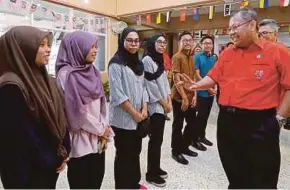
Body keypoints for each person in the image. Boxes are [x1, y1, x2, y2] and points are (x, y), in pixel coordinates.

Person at [176, 8, 290, 188]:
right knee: (235, 172)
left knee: (263, 178)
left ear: (252, 25)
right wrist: (196, 85)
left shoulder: (278, 52)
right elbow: (213, 76)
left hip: (260, 122)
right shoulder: (228, 53)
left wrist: (279, 120)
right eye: (229, 29)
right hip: (228, 121)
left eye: (235, 27)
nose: (231, 32)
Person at [0, 26, 70, 188]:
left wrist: (63, 151)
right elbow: (21, 139)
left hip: (48, 165)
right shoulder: (11, 85)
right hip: (28, 173)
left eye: (48, 45)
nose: (48, 50)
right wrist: (53, 158)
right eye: (41, 45)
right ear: (23, 48)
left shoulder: (45, 78)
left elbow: (60, 116)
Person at [55, 31, 112, 189]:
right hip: (80, 140)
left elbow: (102, 103)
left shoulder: (93, 71)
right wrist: (101, 129)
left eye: (96, 46)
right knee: (81, 183)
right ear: (77, 48)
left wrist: (105, 131)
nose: (95, 50)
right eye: (91, 47)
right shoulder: (65, 75)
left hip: (99, 139)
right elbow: (76, 112)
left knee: (96, 180)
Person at [108, 27, 148, 189]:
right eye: (129, 40)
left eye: (136, 41)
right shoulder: (116, 63)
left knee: (135, 152)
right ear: (122, 41)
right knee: (124, 155)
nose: (133, 44)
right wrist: (135, 114)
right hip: (123, 120)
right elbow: (118, 95)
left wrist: (144, 108)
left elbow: (144, 87)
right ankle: (123, 186)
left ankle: (133, 183)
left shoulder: (138, 63)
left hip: (139, 116)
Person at [143, 34, 172, 187]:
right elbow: (150, 86)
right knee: (155, 140)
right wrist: (163, 103)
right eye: (159, 42)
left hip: (163, 104)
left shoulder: (159, 59)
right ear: (152, 44)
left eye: (164, 42)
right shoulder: (147, 60)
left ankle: (156, 167)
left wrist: (169, 100)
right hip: (155, 107)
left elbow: (164, 82)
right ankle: (151, 174)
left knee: (159, 140)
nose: (162, 45)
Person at [171, 31, 198, 166]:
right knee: (178, 125)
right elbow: (176, 79)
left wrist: (195, 95)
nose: (187, 42)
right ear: (180, 42)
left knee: (192, 123)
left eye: (190, 40)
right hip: (179, 98)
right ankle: (176, 151)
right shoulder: (177, 57)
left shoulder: (191, 57)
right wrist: (184, 98)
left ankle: (184, 146)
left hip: (190, 95)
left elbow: (193, 78)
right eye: (185, 40)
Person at [194, 35, 217, 149]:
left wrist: (214, 88)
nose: (208, 45)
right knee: (200, 116)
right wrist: (208, 88)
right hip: (201, 92)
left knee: (206, 116)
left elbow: (215, 74)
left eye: (210, 43)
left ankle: (202, 136)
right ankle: (195, 138)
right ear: (201, 45)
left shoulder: (213, 58)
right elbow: (197, 75)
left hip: (211, 92)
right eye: (205, 43)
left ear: (212, 45)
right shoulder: (197, 57)